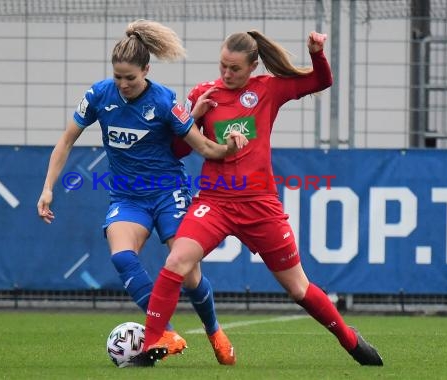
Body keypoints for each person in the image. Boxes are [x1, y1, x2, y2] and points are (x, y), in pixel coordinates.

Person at [130, 30, 384, 367]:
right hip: (215, 202)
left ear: (253, 67)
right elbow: (176, 149)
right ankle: (150, 345)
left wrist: (316, 53)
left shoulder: (267, 89)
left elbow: (321, 81)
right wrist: (195, 116)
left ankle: (350, 340)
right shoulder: (204, 94)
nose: (227, 73)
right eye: (223, 65)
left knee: (298, 288)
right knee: (177, 261)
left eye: (235, 68)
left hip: (260, 205)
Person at [36, 20, 247, 359]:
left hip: (168, 194)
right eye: (118, 76)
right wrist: (48, 188)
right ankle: (165, 332)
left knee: (190, 275)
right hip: (127, 197)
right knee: (121, 255)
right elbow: (66, 141)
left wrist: (229, 149)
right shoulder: (99, 94)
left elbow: (203, 147)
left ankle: (215, 332)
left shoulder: (164, 100)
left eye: (130, 78)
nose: (123, 84)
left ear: (146, 70)